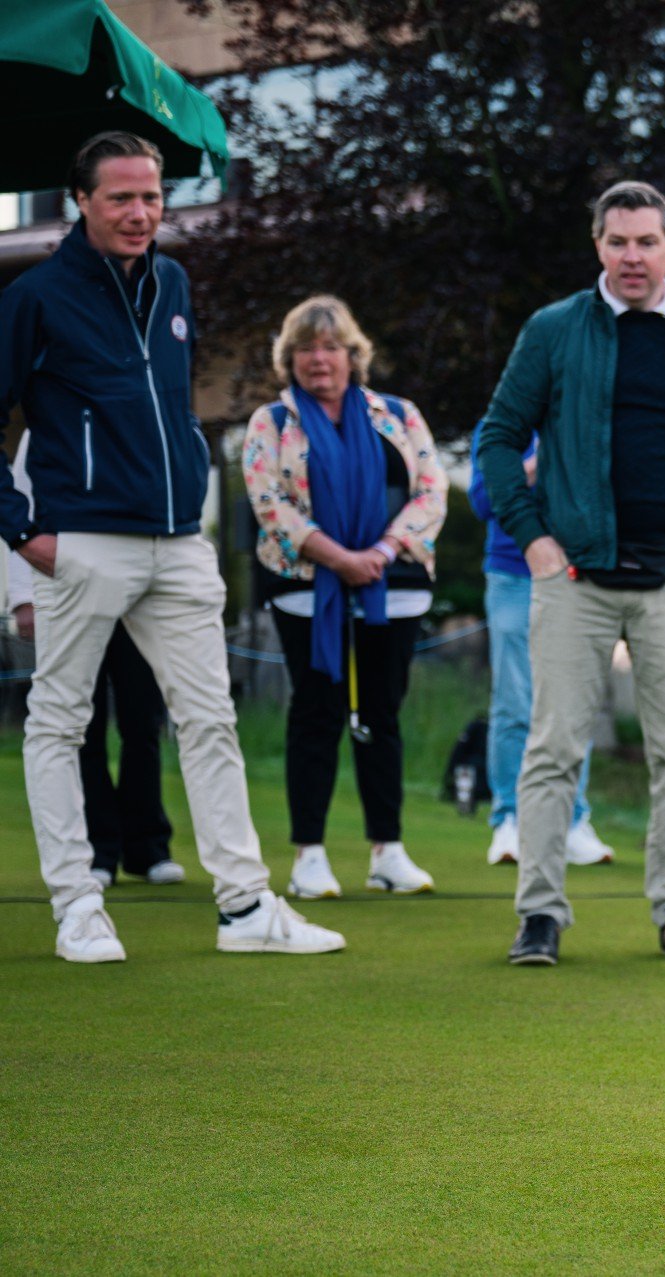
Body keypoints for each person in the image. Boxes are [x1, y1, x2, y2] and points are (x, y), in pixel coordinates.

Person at [0, 131, 343, 962]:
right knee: (59, 724)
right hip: (81, 540)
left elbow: (169, 411)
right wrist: (24, 531)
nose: (140, 212)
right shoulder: (36, 297)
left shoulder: (175, 282)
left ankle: (246, 905)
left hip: (178, 543)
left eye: (151, 195)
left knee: (210, 720)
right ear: (80, 201)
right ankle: (79, 905)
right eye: (120, 196)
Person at [476, 180, 665, 966]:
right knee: (553, 748)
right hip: (574, 580)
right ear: (597, 246)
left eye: (646, 242)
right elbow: (499, 437)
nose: (631, 256)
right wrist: (530, 535)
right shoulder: (554, 330)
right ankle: (539, 913)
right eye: (617, 241)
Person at [242, 295, 448, 899]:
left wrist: (380, 553)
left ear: (353, 354)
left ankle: (388, 851)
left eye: (330, 346)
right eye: (305, 348)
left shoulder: (399, 415)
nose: (318, 359)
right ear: (289, 358)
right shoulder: (272, 423)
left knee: (381, 714)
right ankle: (309, 856)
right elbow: (268, 505)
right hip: (307, 586)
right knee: (316, 714)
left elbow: (432, 491)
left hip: (395, 583)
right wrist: (340, 559)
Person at [9, 438, 180, 888]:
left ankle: (148, 848)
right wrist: (23, 598)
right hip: (70, 595)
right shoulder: (43, 428)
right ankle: (99, 850)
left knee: (143, 723)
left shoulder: (138, 416)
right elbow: (19, 508)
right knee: (80, 726)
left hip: (138, 600)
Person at [467, 427, 616, 869]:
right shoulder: (501, 426)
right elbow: (482, 501)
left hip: (577, 574)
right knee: (515, 703)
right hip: (514, 575)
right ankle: (510, 820)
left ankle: (572, 821)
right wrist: (537, 463)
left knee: (575, 702)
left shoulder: (588, 419)